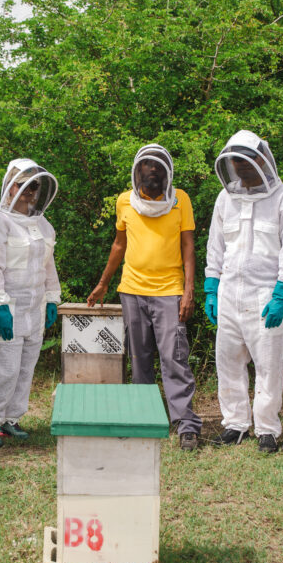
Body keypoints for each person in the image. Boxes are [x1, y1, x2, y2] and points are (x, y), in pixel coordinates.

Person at [86, 144, 203, 450]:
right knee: (139, 358)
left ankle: (185, 424)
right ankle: (144, 417)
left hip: (169, 291)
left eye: (157, 169)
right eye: (146, 169)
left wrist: (189, 290)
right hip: (132, 290)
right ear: (136, 173)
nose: (151, 173)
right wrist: (103, 283)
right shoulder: (125, 201)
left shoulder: (181, 201)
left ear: (167, 174)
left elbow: (188, 247)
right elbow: (118, 245)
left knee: (174, 357)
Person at [204, 130, 283, 454]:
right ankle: (234, 423)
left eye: (247, 165)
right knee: (228, 362)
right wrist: (211, 287)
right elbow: (215, 246)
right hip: (229, 292)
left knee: (269, 365)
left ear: (262, 162)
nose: (242, 171)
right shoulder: (226, 198)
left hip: (265, 294)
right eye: (237, 165)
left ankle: (266, 428)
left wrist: (281, 294)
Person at [0, 159, 61, 448]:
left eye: (32, 187)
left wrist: (52, 298)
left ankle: (11, 418)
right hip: (7, 306)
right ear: (8, 186)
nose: (27, 192)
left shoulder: (42, 223)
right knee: (8, 368)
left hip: (34, 305)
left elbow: (48, 265)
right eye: (20, 185)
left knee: (27, 366)